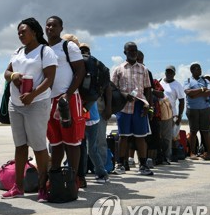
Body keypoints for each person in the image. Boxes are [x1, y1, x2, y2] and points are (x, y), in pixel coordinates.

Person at [0, 18, 57, 201]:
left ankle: (43, 188)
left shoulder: (45, 51)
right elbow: (6, 72)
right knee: (20, 145)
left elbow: (49, 79)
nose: (20, 35)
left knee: (39, 146)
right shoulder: (17, 52)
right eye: (19, 32)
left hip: (37, 103)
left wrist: (32, 95)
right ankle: (18, 187)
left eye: (24, 31)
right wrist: (14, 76)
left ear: (34, 32)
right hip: (15, 104)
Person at [45, 16, 86, 186]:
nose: (50, 28)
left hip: (67, 98)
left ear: (61, 28)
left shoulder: (67, 46)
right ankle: (55, 176)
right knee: (55, 141)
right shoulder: (44, 49)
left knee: (72, 141)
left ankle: (74, 177)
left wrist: (67, 95)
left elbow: (80, 71)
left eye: (54, 25)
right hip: (48, 99)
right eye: (48, 25)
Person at [111, 42, 154, 176]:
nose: (133, 52)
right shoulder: (119, 69)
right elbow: (112, 89)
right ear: (125, 52)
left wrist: (148, 106)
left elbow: (148, 89)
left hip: (140, 106)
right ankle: (120, 164)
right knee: (123, 136)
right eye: (130, 50)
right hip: (123, 107)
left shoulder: (143, 69)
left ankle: (143, 165)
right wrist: (124, 95)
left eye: (135, 50)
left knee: (140, 137)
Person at [78, 43, 109, 184]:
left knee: (90, 148)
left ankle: (101, 173)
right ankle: (82, 174)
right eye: (82, 50)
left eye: (86, 51)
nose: (84, 53)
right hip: (85, 114)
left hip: (89, 116)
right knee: (83, 147)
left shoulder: (92, 69)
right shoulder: (90, 68)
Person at [183, 63, 210, 160]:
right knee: (193, 131)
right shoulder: (188, 80)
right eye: (197, 69)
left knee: (205, 131)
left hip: (205, 108)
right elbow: (188, 92)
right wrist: (201, 90)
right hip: (192, 109)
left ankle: (209, 153)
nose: (200, 71)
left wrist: (195, 94)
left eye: (200, 69)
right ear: (192, 70)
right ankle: (192, 153)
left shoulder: (205, 80)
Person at [159, 65, 185, 163]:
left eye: (171, 72)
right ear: (165, 72)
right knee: (160, 135)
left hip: (171, 114)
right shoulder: (160, 81)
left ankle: (168, 155)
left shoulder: (177, 85)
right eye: (167, 72)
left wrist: (180, 116)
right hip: (159, 113)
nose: (169, 74)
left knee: (169, 136)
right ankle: (160, 155)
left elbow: (182, 101)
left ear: (174, 73)